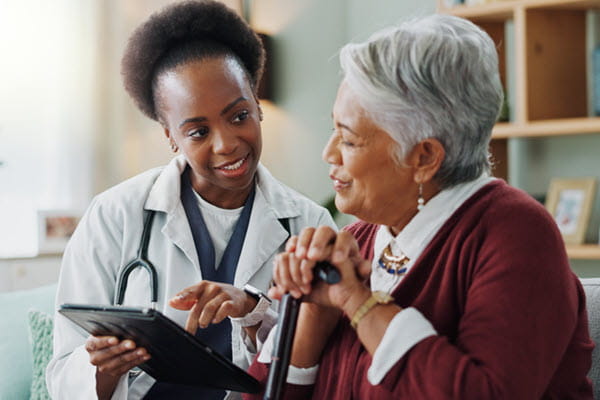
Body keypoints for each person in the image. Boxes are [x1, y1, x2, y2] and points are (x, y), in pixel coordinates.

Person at [245, 14, 594, 399]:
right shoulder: (356, 239)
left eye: (348, 139)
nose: (329, 154)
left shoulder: (517, 234)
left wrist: (356, 302)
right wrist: (315, 310)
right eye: (334, 131)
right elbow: (256, 394)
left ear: (424, 157)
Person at [45, 1, 335, 399]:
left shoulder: (309, 224)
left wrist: (254, 311)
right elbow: (64, 371)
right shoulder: (114, 216)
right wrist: (101, 368)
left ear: (255, 102)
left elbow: (326, 360)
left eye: (238, 116)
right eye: (198, 132)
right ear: (170, 135)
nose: (227, 145)